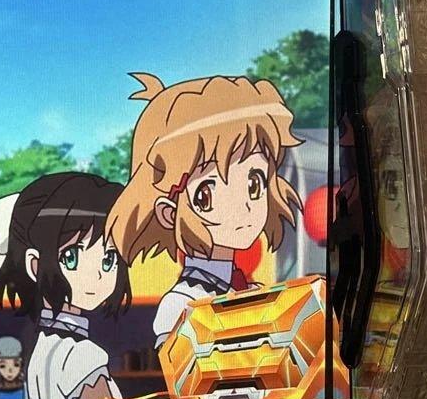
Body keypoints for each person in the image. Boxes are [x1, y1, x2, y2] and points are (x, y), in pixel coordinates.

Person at [107, 73, 303, 348]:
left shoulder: (253, 292)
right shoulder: (182, 304)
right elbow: (184, 376)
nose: (242, 206)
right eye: (206, 195)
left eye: (254, 183)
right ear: (169, 213)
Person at [0, 173, 132, 399]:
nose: (97, 275)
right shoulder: (81, 354)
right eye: (71, 257)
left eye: (109, 259)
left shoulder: (45, 347)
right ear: (34, 265)